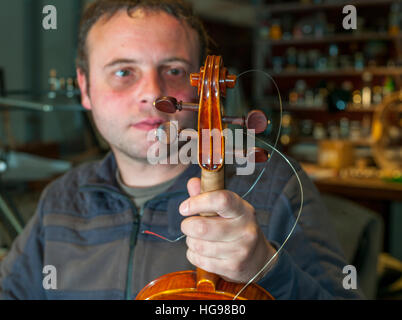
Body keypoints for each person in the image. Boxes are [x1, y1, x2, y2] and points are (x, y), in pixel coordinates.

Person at [0, 0, 363, 300]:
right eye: (123, 72)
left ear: (202, 83)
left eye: (173, 69)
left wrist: (270, 270)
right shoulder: (60, 200)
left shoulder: (275, 185)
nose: (153, 94)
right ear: (85, 87)